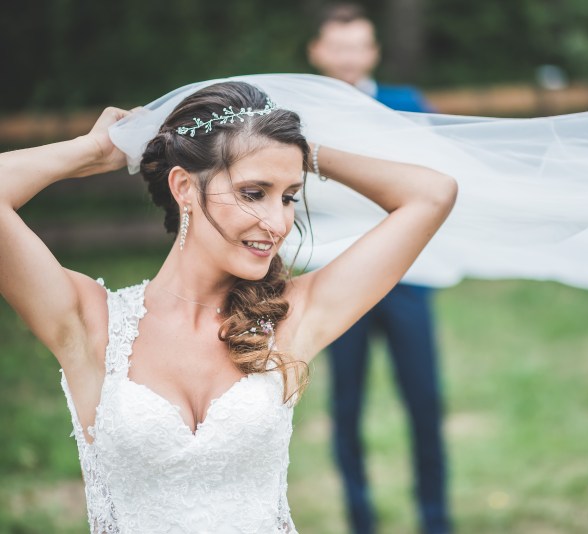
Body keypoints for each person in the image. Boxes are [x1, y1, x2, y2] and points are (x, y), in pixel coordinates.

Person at [0, 81, 457, 533]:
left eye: (289, 197)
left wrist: (300, 150)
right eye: (254, 193)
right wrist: (92, 151)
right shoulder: (89, 321)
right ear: (183, 187)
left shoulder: (290, 318)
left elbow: (432, 194)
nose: (278, 223)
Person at [307, 5, 450, 534]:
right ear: (318, 52)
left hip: (409, 277)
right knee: (346, 404)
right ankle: (360, 519)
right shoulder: (299, 112)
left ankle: (435, 519)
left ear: (373, 52)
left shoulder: (406, 104)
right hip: (337, 277)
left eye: (358, 46)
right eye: (338, 47)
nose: (348, 57)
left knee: (424, 400)